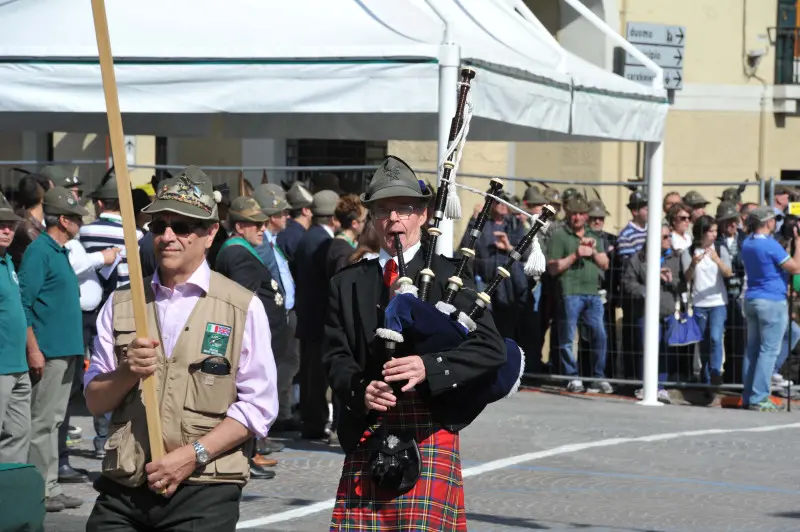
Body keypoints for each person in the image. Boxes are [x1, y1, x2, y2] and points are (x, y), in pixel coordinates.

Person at [83, 166, 278, 531]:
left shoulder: (241, 307)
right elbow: (95, 400)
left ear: (210, 233)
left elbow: (259, 407)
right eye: (159, 226)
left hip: (205, 488)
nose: (168, 237)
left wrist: (192, 456)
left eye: (183, 227)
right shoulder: (124, 303)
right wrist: (127, 372)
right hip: (126, 484)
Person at [322, 155, 506, 530]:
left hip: (429, 425)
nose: (394, 219)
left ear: (423, 215)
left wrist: (429, 367)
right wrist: (360, 390)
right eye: (383, 210)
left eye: (404, 209)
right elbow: (335, 355)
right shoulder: (347, 283)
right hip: (370, 426)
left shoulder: (450, 276)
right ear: (373, 218)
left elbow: (491, 348)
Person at [19, 187, 89, 512]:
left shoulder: (58, 252)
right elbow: (25, 303)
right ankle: (39, 489)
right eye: (75, 218)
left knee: (55, 421)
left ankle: (49, 486)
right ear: (63, 220)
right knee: (43, 422)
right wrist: (34, 349)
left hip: (66, 350)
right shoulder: (40, 251)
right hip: (49, 352)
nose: (79, 223)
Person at [214, 195, 285, 479]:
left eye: (264, 223)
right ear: (240, 226)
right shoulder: (237, 252)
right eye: (256, 224)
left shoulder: (242, 249)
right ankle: (246, 455)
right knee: (248, 394)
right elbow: (241, 301)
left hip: (260, 338)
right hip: (247, 342)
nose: (262, 229)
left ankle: (251, 450)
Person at [740, 207, 800, 412]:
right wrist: (799, 244)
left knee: (753, 349)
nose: (776, 223)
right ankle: (759, 397)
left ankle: (749, 395)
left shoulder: (747, 242)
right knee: (769, 351)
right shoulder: (770, 245)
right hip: (772, 300)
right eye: (774, 220)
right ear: (767, 222)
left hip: (753, 298)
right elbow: (795, 267)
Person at [0, 192, 30, 464]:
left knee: (19, 433)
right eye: (0, 224)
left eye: (10, 224)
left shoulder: (7, 260)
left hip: (17, 365)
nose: (7, 229)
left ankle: (9, 496)